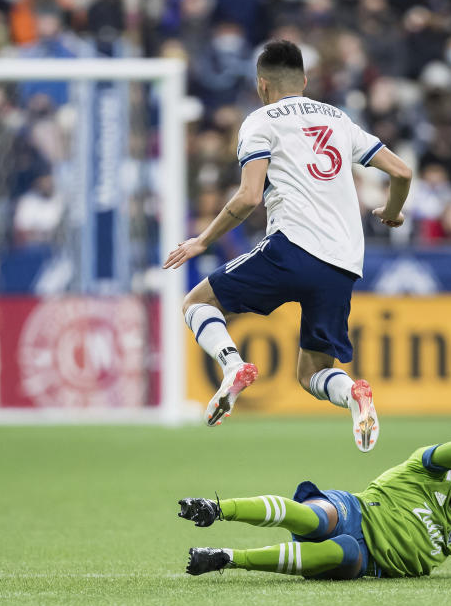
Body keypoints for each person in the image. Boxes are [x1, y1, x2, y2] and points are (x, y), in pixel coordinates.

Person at [163, 40, 412, 452]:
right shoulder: (338, 119)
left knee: (196, 303)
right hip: (344, 263)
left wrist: (201, 240)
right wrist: (392, 212)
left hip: (293, 248)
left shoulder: (260, 121)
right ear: (306, 81)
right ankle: (354, 394)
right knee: (312, 374)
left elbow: (248, 197)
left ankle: (233, 367)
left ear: (262, 85)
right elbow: (401, 172)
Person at [178, 438, 451, 580]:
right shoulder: (424, 469)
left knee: (343, 551)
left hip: (370, 561)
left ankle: (228, 558)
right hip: (355, 509)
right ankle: (217, 508)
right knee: (317, 517)